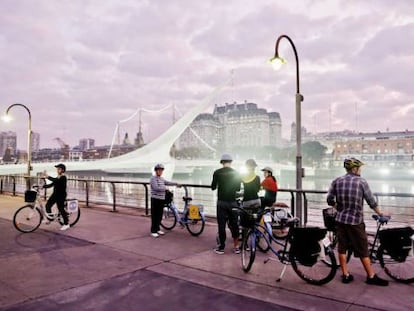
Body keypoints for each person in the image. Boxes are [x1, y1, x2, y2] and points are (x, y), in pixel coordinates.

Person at [326, 157, 388, 286]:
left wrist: (339, 208)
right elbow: (371, 201)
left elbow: (330, 200)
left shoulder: (337, 181)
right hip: (355, 221)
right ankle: (371, 276)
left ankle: (345, 275)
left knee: (342, 247)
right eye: (360, 168)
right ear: (355, 168)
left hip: (340, 220)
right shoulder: (361, 182)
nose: (361, 170)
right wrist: (380, 213)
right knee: (362, 249)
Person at [211, 154, 241, 254]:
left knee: (221, 225)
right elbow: (238, 188)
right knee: (234, 224)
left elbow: (213, 187)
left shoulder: (217, 172)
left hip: (221, 202)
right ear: (231, 162)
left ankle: (221, 248)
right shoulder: (236, 173)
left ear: (222, 162)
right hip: (233, 202)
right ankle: (236, 246)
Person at [150, 163, 180, 238]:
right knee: (155, 215)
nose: (160, 172)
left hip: (161, 199)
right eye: (159, 170)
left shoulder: (162, 179)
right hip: (155, 199)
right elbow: (156, 188)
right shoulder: (153, 178)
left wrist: (176, 184)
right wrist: (165, 188)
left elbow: (167, 182)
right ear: (156, 171)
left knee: (160, 215)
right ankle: (153, 231)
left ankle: (157, 229)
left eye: (161, 170)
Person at [43, 163, 69, 231]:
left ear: (63, 170)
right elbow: (52, 184)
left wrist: (47, 176)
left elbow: (55, 181)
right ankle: (50, 219)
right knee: (47, 206)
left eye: (59, 169)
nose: (57, 170)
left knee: (61, 209)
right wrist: (42, 186)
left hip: (61, 196)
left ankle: (66, 224)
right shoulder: (58, 176)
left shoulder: (63, 177)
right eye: (57, 169)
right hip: (55, 194)